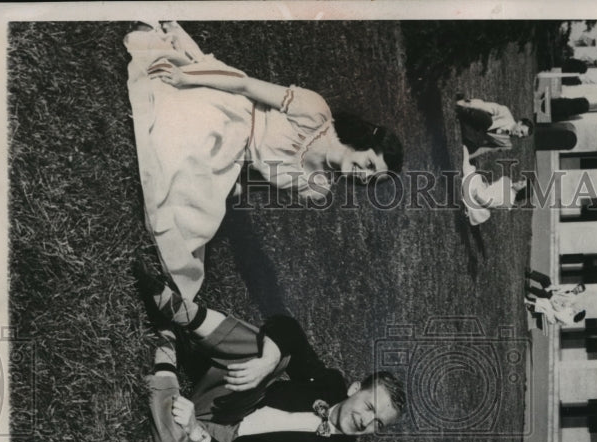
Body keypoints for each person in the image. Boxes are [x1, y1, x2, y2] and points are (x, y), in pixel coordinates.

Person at [124, 21, 404, 327]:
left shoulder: (318, 188)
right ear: (365, 142)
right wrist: (185, 77)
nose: (364, 176)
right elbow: (244, 84)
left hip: (233, 160)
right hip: (232, 114)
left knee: (201, 219)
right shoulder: (316, 112)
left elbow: (252, 184)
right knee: (183, 145)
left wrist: (221, 190)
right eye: (370, 164)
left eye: (372, 179)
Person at [147, 309, 405, 442]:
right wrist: (268, 361)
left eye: (378, 423)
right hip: (227, 403)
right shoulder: (330, 385)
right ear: (354, 389)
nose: (366, 421)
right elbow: (288, 329)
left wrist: (196, 433)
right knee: (272, 352)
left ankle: (165, 353)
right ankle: (178, 309)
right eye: (369, 407)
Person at [460, 146, 530, 227]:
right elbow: (490, 186)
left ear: (521, 192)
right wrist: (481, 186)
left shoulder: (509, 201)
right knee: (473, 173)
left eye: (521, 184)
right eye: (522, 181)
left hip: (480, 201)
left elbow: (491, 205)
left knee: (469, 170)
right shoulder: (507, 181)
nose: (519, 181)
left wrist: (477, 198)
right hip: (481, 192)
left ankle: (468, 199)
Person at [455, 95, 532, 160]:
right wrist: (465, 104)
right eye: (522, 132)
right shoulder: (506, 113)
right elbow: (484, 106)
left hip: (473, 134)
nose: (519, 136)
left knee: (475, 143)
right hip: (477, 119)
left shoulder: (507, 144)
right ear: (520, 122)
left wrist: (468, 158)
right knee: (488, 121)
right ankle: (463, 110)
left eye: (522, 136)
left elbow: (485, 149)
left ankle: (463, 119)